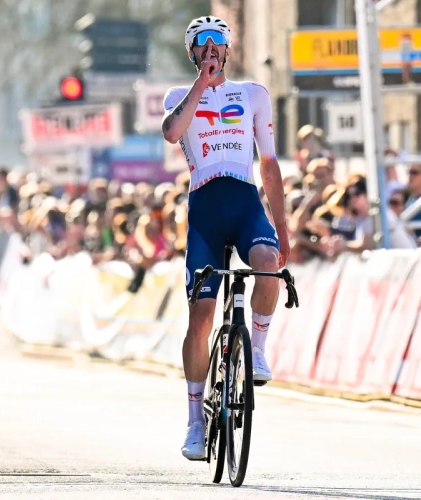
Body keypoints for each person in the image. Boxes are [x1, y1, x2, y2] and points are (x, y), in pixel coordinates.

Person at [162, 15, 289, 461]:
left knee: (269, 267)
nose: (212, 47)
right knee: (201, 318)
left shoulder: (253, 94)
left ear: (229, 50)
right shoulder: (180, 97)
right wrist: (201, 83)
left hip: (246, 202)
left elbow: (269, 165)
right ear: (193, 52)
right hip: (205, 212)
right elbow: (173, 132)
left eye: (219, 41)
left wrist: (283, 230)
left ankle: (256, 350)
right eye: (203, 43)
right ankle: (196, 420)